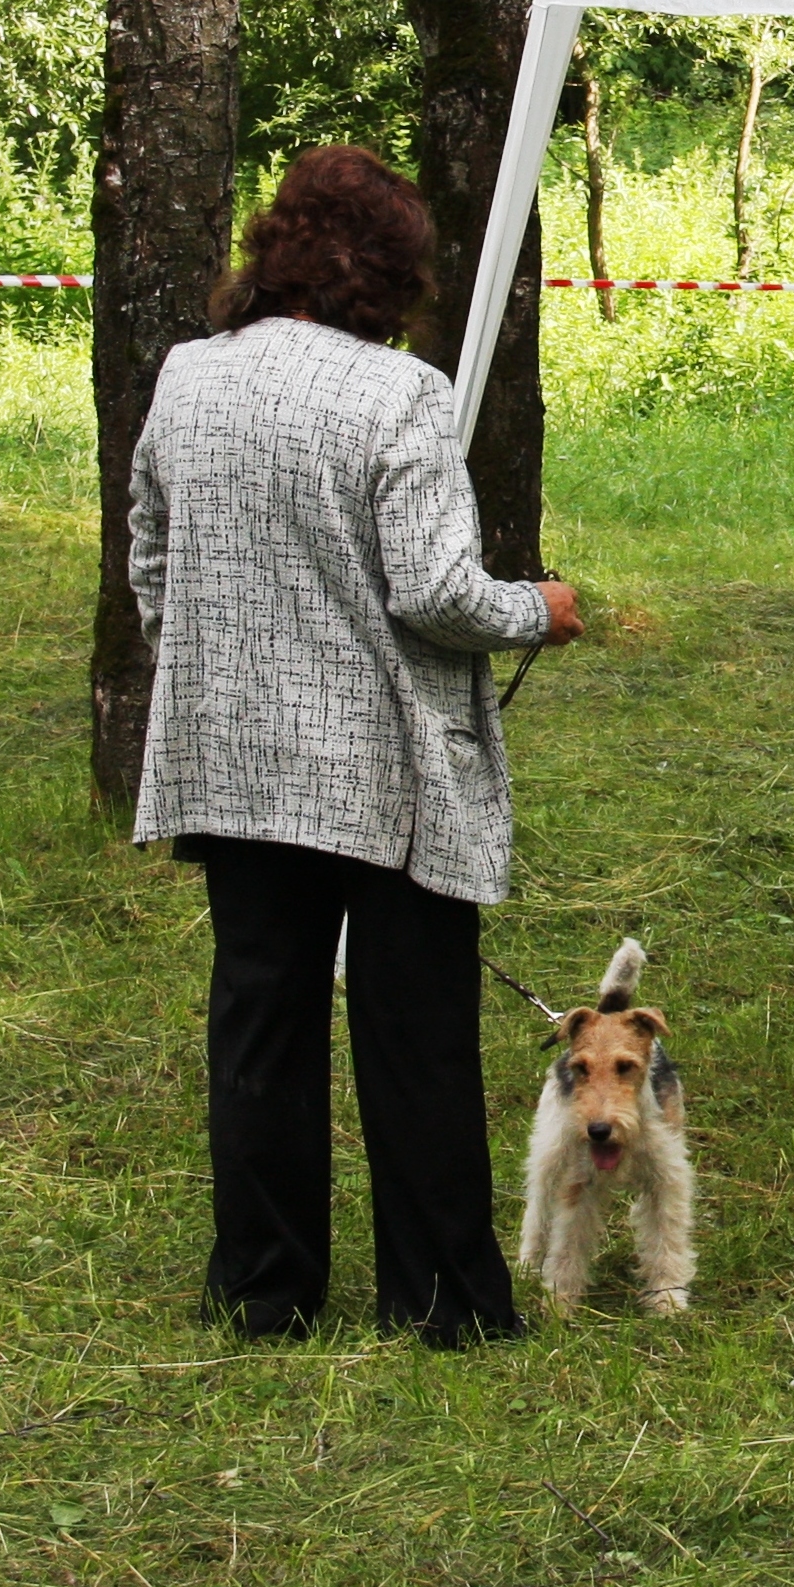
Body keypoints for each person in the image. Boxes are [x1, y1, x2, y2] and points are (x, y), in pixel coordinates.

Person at [127, 145, 582, 1339]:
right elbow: (435, 592)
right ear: (394, 272)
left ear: (275, 244)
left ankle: (261, 1290)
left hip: (232, 761)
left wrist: (216, 671)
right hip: (382, 769)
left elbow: (151, 557)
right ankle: (440, 1304)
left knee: (259, 1027)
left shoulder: (187, 373)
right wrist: (538, 610)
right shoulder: (401, 394)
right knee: (413, 1035)